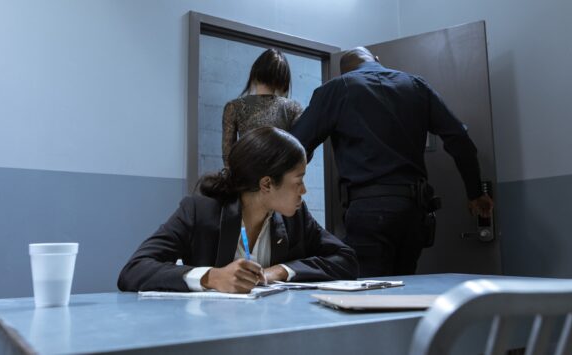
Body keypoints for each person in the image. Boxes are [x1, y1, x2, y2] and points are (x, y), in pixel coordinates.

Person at [289, 47, 494, 277]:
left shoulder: (337, 89)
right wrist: (475, 192)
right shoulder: (416, 86)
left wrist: (285, 198)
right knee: (404, 288)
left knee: (370, 293)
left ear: (343, 72)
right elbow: (459, 138)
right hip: (414, 211)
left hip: (367, 210)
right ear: (377, 60)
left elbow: (294, 146)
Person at [118, 127, 358, 293]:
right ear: (266, 184)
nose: (303, 191)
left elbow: (346, 259)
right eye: (298, 181)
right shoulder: (200, 210)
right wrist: (211, 277)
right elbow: (134, 270)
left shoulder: (296, 216)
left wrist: (281, 271)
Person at [221, 48, 303, 167]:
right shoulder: (293, 108)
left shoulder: (234, 107)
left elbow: (227, 156)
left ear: (255, 73)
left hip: (246, 177)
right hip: (280, 177)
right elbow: (301, 151)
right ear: (283, 79)